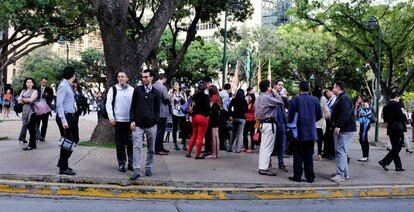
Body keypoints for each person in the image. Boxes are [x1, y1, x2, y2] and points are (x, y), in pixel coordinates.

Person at [287, 81, 322, 183]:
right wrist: (311, 120)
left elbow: (290, 116)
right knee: (308, 155)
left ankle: (297, 176)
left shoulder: (295, 100)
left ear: (299, 89)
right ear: (309, 88)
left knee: (298, 155)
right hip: (311, 131)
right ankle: (310, 177)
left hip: (298, 131)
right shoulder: (315, 100)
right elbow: (319, 115)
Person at [129, 69, 161, 180]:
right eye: (143, 77)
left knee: (151, 148)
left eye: (146, 77)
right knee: (137, 147)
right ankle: (136, 170)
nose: (144, 79)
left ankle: (148, 167)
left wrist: (155, 121)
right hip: (138, 124)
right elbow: (132, 106)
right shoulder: (137, 90)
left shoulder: (156, 93)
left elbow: (157, 109)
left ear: (152, 78)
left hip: (151, 125)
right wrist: (132, 120)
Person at [106, 71, 134, 172]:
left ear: (127, 78)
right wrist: (111, 118)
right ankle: (122, 163)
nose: (120, 78)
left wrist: (134, 119)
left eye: (123, 77)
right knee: (120, 143)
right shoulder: (113, 89)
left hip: (130, 121)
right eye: (119, 77)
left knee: (131, 143)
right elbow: (108, 104)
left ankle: (131, 163)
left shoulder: (132, 90)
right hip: (118, 121)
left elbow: (135, 105)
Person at [255, 80, 284, 176]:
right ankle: (264, 168)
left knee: (264, 147)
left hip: (263, 123)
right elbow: (280, 102)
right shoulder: (267, 97)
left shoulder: (259, 96)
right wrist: (274, 93)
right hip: (269, 124)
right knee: (268, 148)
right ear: (268, 88)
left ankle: (262, 166)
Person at [330, 81, 357, 182]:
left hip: (345, 129)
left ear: (338, 87)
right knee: (342, 151)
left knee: (340, 151)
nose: (333, 89)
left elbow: (344, 114)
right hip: (345, 128)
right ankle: (344, 173)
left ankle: (340, 174)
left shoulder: (344, 98)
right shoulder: (342, 97)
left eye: (334, 87)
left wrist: (338, 126)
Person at [55, 67, 79, 175]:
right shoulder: (63, 86)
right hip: (65, 117)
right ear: (73, 75)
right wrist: (64, 120)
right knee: (68, 141)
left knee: (74, 140)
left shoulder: (67, 86)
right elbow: (59, 104)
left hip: (71, 116)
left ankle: (62, 163)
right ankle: (63, 166)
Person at [379, 92, 406, 172]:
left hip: (390, 129)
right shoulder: (397, 105)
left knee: (395, 147)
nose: (399, 99)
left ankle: (398, 166)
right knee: (398, 147)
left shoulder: (386, 106)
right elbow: (401, 117)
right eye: (399, 98)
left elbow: (385, 119)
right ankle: (384, 161)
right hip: (398, 129)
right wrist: (404, 115)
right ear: (396, 97)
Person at [186, 82, 210, 159]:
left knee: (194, 135)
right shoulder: (206, 97)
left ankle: (188, 152)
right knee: (200, 137)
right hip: (202, 118)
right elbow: (207, 108)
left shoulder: (195, 96)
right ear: (205, 88)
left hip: (194, 117)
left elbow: (192, 105)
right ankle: (198, 154)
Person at [18, 78, 39, 150]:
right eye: (27, 82)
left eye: (30, 82)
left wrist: (23, 99)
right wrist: (26, 100)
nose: (29, 83)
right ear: (25, 83)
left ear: (33, 84)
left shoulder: (35, 91)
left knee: (31, 129)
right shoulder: (23, 91)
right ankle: (33, 145)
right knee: (29, 128)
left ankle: (31, 145)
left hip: (32, 111)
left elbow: (31, 100)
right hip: (25, 111)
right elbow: (18, 101)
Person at [272, 79, 288, 172]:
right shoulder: (271, 95)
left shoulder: (281, 96)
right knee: (271, 144)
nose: (281, 86)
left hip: (282, 122)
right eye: (279, 85)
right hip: (274, 122)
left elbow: (288, 106)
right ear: (275, 85)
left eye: (282, 85)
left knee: (281, 145)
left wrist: (284, 97)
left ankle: (281, 163)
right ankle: (268, 163)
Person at [153, 74, 171, 155]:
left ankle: (160, 147)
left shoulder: (152, 86)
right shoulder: (162, 87)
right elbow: (166, 99)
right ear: (163, 78)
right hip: (162, 112)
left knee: (157, 130)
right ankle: (158, 149)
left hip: (154, 111)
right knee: (160, 131)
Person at [312, 86, 329, 161]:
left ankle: (311, 153)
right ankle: (319, 154)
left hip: (312, 121)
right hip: (321, 122)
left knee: (312, 139)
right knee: (319, 139)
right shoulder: (323, 99)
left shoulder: (312, 98)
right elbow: (326, 111)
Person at [228, 89, 248, 153]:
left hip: (235, 118)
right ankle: (237, 149)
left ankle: (229, 147)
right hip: (242, 118)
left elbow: (229, 108)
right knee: (240, 134)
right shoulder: (244, 101)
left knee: (233, 133)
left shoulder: (234, 100)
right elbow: (246, 110)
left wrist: (232, 114)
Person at [170, 82, 187, 150]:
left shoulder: (183, 93)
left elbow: (186, 103)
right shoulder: (171, 94)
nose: (175, 85)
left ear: (179, 86)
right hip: (175, 112)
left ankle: (184, 143)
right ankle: (175, 144)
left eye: (177, 84)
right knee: (174, 128)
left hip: (182, 113)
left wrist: (184, 109)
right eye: (174, 84)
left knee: (183, 128)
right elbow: (170, 102)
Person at [36, 77, 54, 142]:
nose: (44, 83)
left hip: (46, 109)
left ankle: (42, 137)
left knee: (44, 123)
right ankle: (37, 136)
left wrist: (47, 96)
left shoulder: (49, 89)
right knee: (37, 123)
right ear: (41, 82)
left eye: (46, 82)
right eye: (43, 82)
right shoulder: (36, 88)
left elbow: (51, 98)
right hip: (38, 108)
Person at [322, 87, 337, 160]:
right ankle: (326, 152)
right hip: (327, 121)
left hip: (332, 121)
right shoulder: (329, 100)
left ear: (332, 91)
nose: (326, 93)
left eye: (327, 91)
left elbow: (330, 109)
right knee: (326, 137)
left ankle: (331, 154)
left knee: (331, 138)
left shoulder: (335, 99)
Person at [208, 85, 222, 158]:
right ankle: (217, 153)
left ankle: (214, 154)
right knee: (217, 136)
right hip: (217, 117)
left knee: (213, 137)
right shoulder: (218, 96)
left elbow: (210, 106)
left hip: (213, 118)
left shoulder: (213, 97)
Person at [219, 83, 231, 150]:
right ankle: (222, 145)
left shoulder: (220, 93)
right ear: (229, 88)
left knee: (220, 129)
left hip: (219, 112)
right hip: (224, 112)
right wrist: (227, 112)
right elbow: (225, 105)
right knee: (223, 129)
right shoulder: (226, 95)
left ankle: (220, 144)